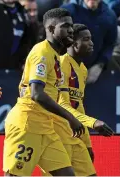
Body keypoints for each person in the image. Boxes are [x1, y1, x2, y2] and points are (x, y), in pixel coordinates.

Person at [3, 8, 85, 176]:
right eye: (65, 26)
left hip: (45, 128)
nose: (71, 30)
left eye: (71, 26)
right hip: (26, 125)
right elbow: (37, 94)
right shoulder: (41, 52)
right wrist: (71, 118)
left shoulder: (55, 55)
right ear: (51, 29)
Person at [42, 23, 114, 176]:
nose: (92, 43)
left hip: (75, 137)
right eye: (87, 39)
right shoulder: (61, 64)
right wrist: (93, 123)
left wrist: (87, 143)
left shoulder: (82, 70)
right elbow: (62, 104)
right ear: (74, 44)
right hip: (57, 136)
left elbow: (78, 106)